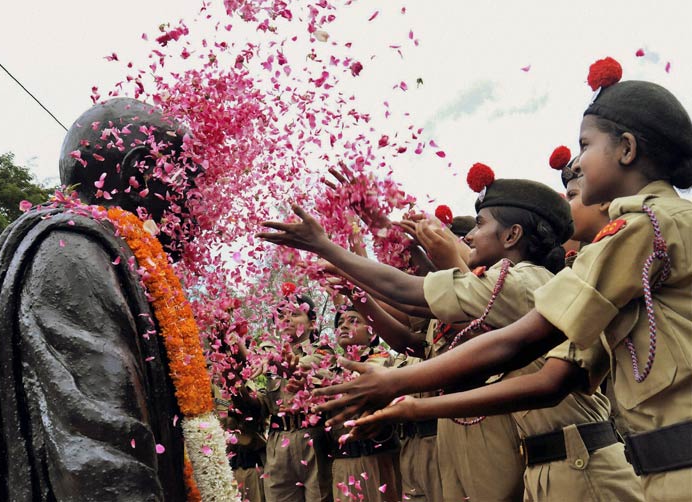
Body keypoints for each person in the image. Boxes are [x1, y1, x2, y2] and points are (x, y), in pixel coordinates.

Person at [276, 57, 692, 501]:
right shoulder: (626, 250)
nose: (577, 162)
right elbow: (553, 379)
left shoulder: (642, 227)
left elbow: (499, 332)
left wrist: (398, 385)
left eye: (585, 145)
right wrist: (413, 404)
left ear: (626, 149)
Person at [260, 161, 584, 501]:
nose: (470, 236)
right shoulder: (501, 282)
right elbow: (416, 310)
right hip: (486, 439)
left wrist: (327, 246)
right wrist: (377, 228)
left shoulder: (521, 281)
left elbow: (410, 291)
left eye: (479, 225)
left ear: (512, 235)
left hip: (549, 452)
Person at [0, 98, 207, 499]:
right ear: (140, 171)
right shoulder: (72, 251)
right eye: (189, 181)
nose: (197, 204)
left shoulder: (107, 252)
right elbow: (100, 459)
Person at [241, 287, 334, 502]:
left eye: (294, 313)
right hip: (277, 442)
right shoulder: (266, 361)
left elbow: (305, 368)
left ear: (312, 322)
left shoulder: (323, 350)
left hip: (313, 438)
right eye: (281, 316)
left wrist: (277, 363)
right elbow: (260, 406)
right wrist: (236, 384)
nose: (287, 319)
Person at [328, 307, 401, 502]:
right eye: (340, 322)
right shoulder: (329, 369)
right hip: (342, 463)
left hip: (377, 461)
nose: (343, 326)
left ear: (373, 332)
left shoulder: (383, 361)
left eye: (353, 321)